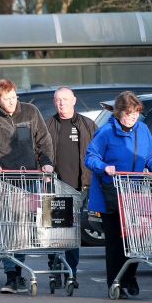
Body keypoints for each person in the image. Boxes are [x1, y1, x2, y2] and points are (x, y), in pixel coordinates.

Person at [85, 91, 152, 299]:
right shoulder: (106, 132)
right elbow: (90, 157)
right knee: (115, 242)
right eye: (129, 114)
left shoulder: (143, 129)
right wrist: (105, 167)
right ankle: (116, 283)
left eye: (136, 114)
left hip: (135, 194)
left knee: (134, 239)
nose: (133, 118)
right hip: (111, 193)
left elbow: (150, 156)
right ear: (119, 113)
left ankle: (130, 277)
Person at [0, 79, 54, 294]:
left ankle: (17, 271)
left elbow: (44, 140)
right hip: (4, 181)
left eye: (13, 98)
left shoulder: (30, 112)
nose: (10, 102)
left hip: (28, 179)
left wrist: (46, 163)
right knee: (8, 227)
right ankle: (12, 275)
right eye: (6, 99)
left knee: (23, 227)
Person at [46, 87, 97, 274]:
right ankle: (54, 265)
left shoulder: (87, 125)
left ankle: (71, 269)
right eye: (58, 100)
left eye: (65, 99)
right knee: (53, 227)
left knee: (72, 229)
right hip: (54, 185)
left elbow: (97, 152)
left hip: (79, 186)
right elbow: (40, 151)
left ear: (74, 100)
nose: (61, 103)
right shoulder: (48, 125)